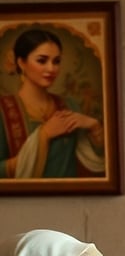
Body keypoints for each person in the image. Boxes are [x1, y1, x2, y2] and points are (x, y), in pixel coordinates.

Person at [0, 28, 105, 179]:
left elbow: (95, 162)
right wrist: (44, 135)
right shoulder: (3, 109)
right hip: (20, 201)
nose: (51, 69)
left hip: (68, 199)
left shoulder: (69, 105)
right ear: (21, 63)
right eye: (42, 61)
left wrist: (95, 127)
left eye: (56, 61)